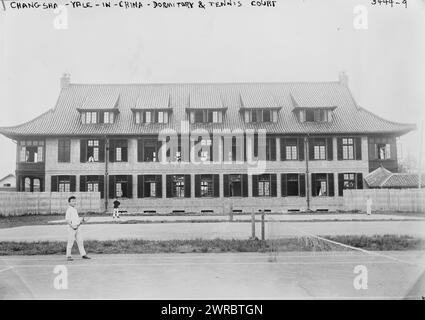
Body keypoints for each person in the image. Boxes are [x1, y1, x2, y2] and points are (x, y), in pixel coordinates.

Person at [65, 196, 91, 261]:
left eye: (75, 201)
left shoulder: (75, 210)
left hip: (77, 228)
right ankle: (68, 256)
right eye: (72, 201)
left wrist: (81, 221)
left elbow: (76, 219)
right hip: (72, 229)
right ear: (69, 203)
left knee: (80, 242)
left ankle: (83, 254)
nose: (74, 202)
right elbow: (67, 220)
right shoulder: (69, 210)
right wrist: (72, 226)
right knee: (70, 242)